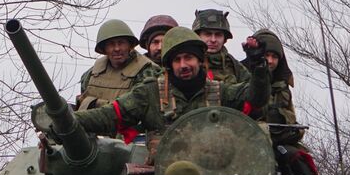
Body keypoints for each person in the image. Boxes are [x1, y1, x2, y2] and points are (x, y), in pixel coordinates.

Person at [66, 26, 270, 144]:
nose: (183, 65)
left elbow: (256, 98)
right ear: (169, 65)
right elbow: (109, 116)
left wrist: (259, 67)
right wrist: (64, 121)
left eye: (189, 57)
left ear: (200, 60)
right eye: (177, 60)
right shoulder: (149, 94)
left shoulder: (221, 93)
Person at [243, 29, 326, 175]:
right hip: (246, 143)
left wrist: (290, 132)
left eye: (275, 57)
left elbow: (290, 120)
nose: (271, 61)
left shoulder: (283, 86)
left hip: (279, 142)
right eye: (266, 55)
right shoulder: (242, 76)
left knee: (294, 157)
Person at [76, 19, 154, 112]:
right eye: (111, 44)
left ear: (130, 45)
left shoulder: (146, 71)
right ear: (104, 48)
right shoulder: (91, 74)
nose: (117, 48)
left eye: (121, 43)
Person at [192, 9, 245, 82]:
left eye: (218, 35)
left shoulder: (234, 65)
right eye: (208, 34)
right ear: (197, 36)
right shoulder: (187, 62)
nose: (213, 40)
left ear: (225, 39)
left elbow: (253, 89)